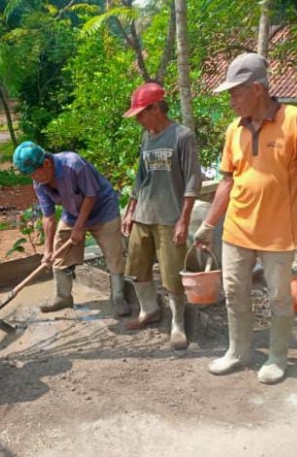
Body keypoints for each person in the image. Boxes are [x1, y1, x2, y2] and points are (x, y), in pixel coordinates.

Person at [194, 53, 297, 384]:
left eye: (235, 92)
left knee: (279, 297)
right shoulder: (233, 129)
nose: (230, 101)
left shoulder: (295, 120)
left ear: (257, 89)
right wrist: (208, 224)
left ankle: (277, 357)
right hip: (236, 229)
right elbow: (227, 181)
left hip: (278, 233)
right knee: (234, 291)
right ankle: (238, 351)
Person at [121, 82, 203, 350]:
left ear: (156, 108)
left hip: (170, 218)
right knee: (136, 268)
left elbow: (192, 180)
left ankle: (177, 324)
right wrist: (130, 210)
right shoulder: (146, 136)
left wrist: (184, 219)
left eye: (141, 114)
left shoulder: (182, 136)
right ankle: (148, 311)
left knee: (172, 276)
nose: (138, 121)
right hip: (143, 214)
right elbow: (141, 176)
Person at [12, 141, 130, 317]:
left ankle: (119, 297)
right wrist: (47, 250)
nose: (34, 179)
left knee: (114, 256)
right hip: (73, 212)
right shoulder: (39, 184)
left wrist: (79, 227)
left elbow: (90, 196)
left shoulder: (74, 165)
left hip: (103, 209)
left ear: (46, 163)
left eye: (35, 174)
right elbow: (48, 217)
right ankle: (63, 297)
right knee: (59, 257)